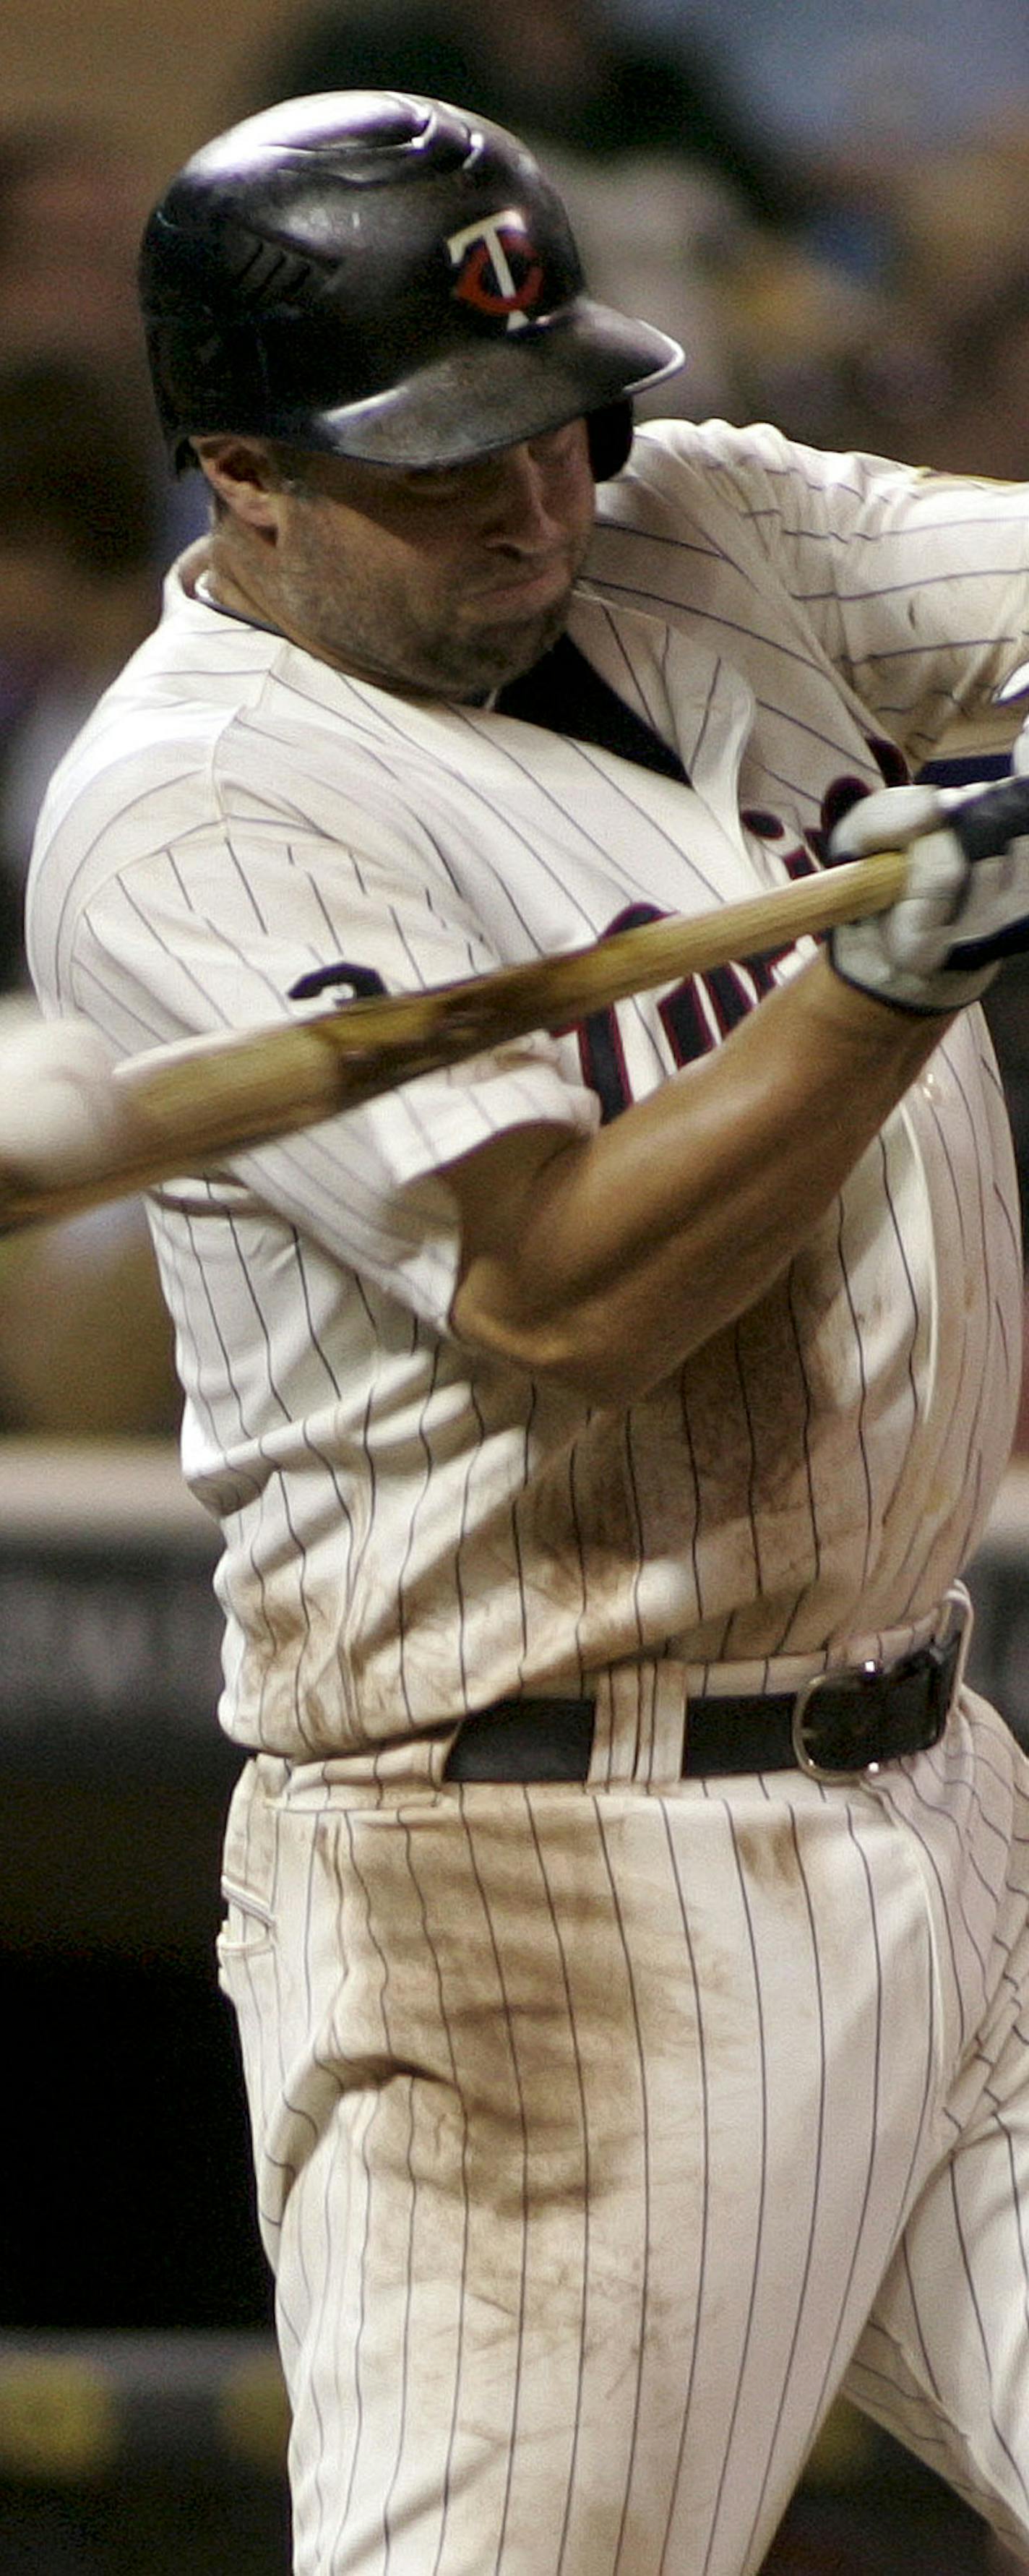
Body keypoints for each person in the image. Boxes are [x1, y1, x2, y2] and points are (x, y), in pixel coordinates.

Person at [20, 89, 1029, 2576]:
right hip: (538, 1906)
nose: (540, 507)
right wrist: (886, 979)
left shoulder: (696, 517)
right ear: (243, 473)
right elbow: (567, 1284)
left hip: (936, 1782)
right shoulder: (199, 809)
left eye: (556, 427)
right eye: (447, 468)